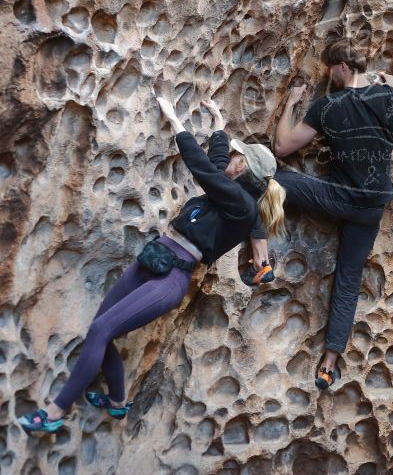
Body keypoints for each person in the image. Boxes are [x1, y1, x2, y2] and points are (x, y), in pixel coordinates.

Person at [17, 95, 285, 434]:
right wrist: (217, 122)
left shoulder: (243, 206)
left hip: (170, 279)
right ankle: (117, 404)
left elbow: (202, 168)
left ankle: (54, 412)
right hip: (153, 259)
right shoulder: (228, 190)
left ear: (243, 166)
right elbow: (216, 162)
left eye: (236, 156)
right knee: (101, 330)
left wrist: (174, 118)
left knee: (100, 331)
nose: (231, 157)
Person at [259, 37, 393, 389]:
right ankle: (328, 364)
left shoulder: (327, 106)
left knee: (269, 180)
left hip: (337, 199)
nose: (330, 75)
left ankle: (260, 257)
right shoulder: (389, 98)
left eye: (330, 68)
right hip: (371, 208)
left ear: (341, 66)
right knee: (348, 279)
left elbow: (281, 147)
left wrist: (292, 104)